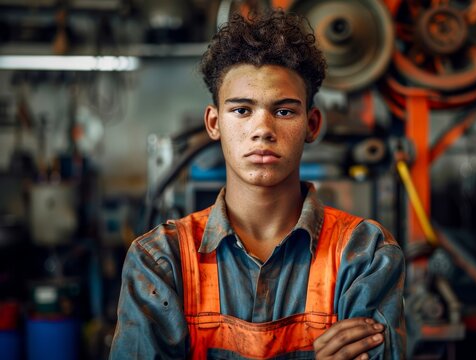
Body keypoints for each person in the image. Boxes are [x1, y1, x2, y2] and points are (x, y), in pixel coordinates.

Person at [110, 9, 405, 360]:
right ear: (214, 122)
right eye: (242, 110)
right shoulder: (161, 260)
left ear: (312, 124)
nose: (263, 129)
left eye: (284, 111)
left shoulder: (364, 255)